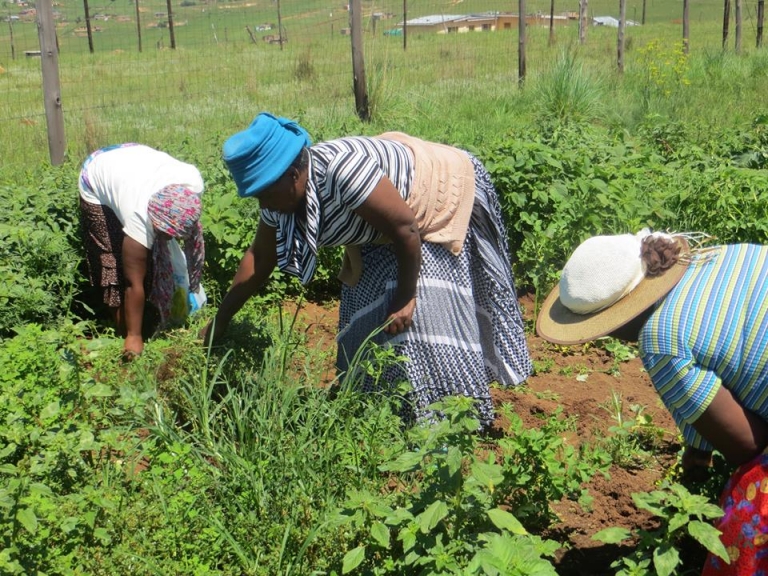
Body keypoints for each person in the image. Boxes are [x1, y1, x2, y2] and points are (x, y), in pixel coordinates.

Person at [201, 112, 532, 426]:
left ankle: (450, 424)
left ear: (292, 174)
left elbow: (406, 228)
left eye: (264, 193)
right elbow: (259, 258)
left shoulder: (342, 171)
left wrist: (405, 297)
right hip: (381, 229)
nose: (262, 204)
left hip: (428, 204)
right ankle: (380, 412)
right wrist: (221, 320)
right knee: (365, 316)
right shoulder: (279, 199)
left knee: (421, 323)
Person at [536, 229, 768, 575]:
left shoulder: (661, 340)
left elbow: (748, 445)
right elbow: (729, 342)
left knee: (746, 508)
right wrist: (699, 445)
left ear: (617, 320)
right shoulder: (713, 255)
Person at [78, 143, 205, 358]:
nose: (170, 239)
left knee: (156, 258)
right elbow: (132, 283)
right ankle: (122, 331)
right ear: (152, 221)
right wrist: (134, 336)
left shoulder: (192, 182)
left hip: (133, 157)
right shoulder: (138, 215)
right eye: (165, 233)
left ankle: (149, 314)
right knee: (112, 262)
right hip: (97, 173)